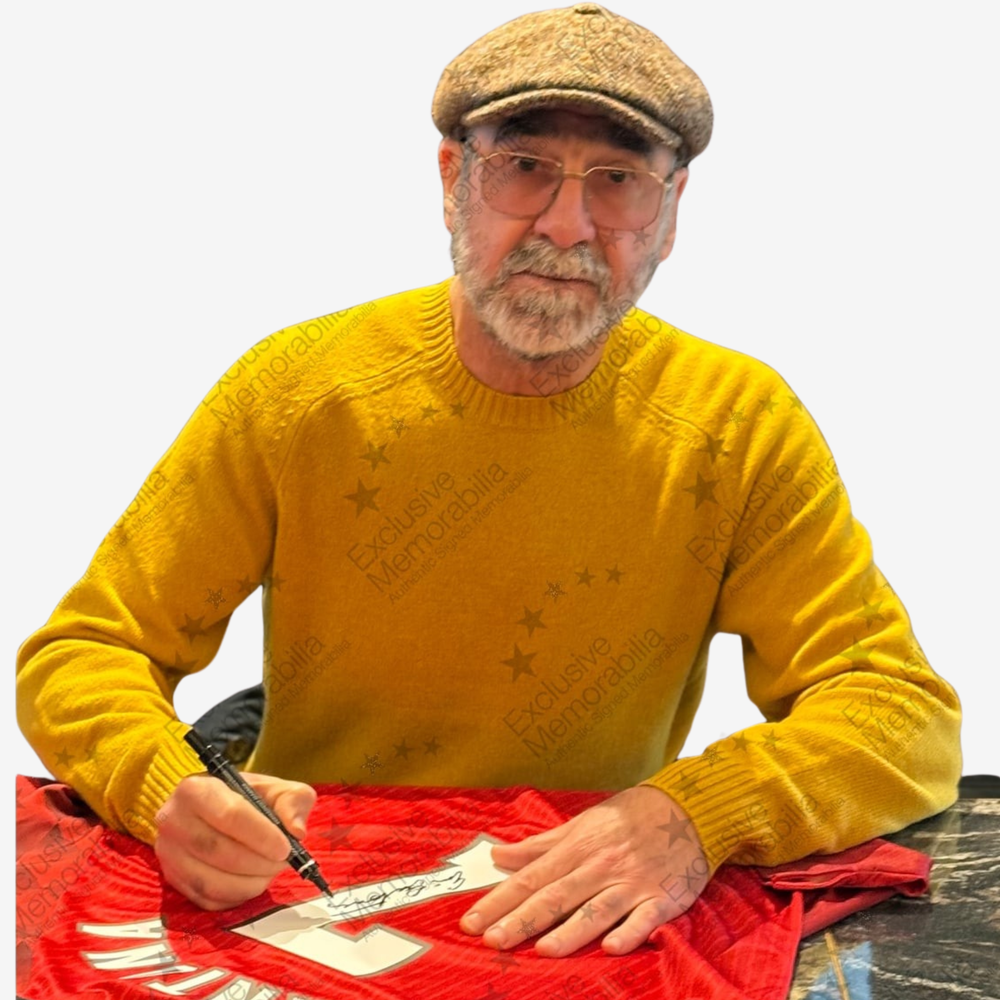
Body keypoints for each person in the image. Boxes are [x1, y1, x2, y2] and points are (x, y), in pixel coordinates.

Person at [15, 2, 962, 961]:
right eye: (524, 167)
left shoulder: (738, 425)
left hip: (571, 918)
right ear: (450, 180)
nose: (567, 225)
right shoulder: (294, 390)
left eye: (620, 181)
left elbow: (904, 716)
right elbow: (87, 651)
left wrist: (697, 813)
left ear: (673, 212)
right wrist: (165, 786)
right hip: (306, 901)